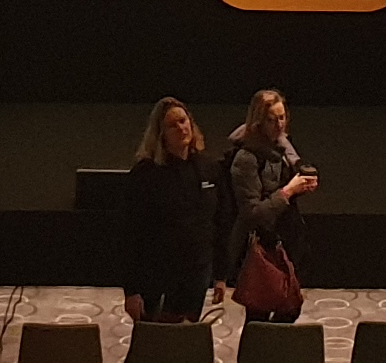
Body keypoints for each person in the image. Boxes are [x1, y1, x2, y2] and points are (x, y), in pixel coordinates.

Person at [120, 95, 232, 324]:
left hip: (197, 273)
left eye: (184, 121)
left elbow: (220, 224)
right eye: (173, 125)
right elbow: (128, 235)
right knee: (155, 346)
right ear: (161, 135)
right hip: (157, 277)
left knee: (186, 342)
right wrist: (131, 291)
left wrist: (220, 275)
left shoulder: (208, 168)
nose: (182, 128)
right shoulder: (146, 175)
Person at [224, 88, 315, 317]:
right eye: (272, 119)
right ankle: (257, 352)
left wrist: (301, 187)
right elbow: (252, 213)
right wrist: (288, 191)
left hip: (286, 240)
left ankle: (271, 351)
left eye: (282, 117)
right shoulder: (246, 158)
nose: (279, 124)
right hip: (261, 248)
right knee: (260, 314)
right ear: (258, 122)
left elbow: (283, 185)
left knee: (290, 307)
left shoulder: (282, 146)